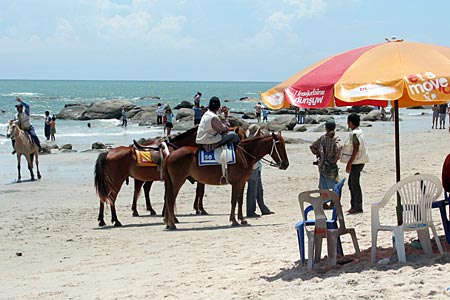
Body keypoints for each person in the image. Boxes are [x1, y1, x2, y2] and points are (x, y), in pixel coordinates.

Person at [341, 113, 368, 214]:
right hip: (360, 161)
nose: (347, 123)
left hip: (356, 162)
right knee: (352, 183)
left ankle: (357, 206)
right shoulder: (360, 132)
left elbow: (355, 148)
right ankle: (355, 205)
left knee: (354, 184)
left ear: (351, 123)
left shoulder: (354, 134)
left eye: (348, 121)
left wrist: (349, 163)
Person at [246, 124, 274, 218]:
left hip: (256, 167)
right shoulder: (252, 141)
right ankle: (250, 211)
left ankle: (263, 209)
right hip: (253, 168)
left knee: (259, 190)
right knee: (252, 190)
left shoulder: (250, 139)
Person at [310, 119, 341, 190]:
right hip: (332, 165)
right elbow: (338, 148)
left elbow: (312, 146)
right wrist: (335, 159)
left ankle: (324, 200)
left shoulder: (323, 138)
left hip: (323, 165)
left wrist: (318, 154)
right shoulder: (336, 138)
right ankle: (333, 199)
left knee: (323, 185)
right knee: (334, 185)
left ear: (326, 128)